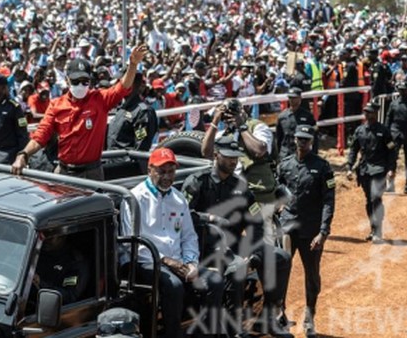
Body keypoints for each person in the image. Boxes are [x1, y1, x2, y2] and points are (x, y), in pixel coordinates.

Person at [183, 135, 292, 337]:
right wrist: (210, 218)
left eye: (236, 157)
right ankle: (235, 329)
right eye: (228, 157)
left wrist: (254, 250)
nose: (233, 161)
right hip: (205, 245)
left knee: (281, 257)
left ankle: (268, 318)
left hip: (233, 243)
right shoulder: (198, 182)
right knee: (237, 267)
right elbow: (183, 215)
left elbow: (256, 222)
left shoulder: (240, 186)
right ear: (216, 155)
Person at [120, 147, 224, 338]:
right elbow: (133, 244)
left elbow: (189, 236)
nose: (167, 177)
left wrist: (191, 263)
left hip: (179, 261)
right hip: (147, 262)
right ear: (150, 170)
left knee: (215, 281)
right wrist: (167, 261)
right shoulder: (134, 199)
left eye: (171, 171)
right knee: (173, 286)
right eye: (162, 171)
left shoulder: (178, 198)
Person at [11, 44, 148, 180]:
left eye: (85, 81)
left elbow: (123, 87)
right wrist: (23, 154)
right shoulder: (56, 105)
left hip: (93, 172)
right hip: (65, 173)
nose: (80, 85)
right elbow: (41, 135)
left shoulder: (100, 99)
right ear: (67, 80)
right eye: (76, 81)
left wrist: (133, 65)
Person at [277, 125, 335, 338]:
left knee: (312, 275)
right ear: (294, 140)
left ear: (311, 142)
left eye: (306, 140)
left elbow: (329, 201)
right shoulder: (285, 165)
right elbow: (276, 190)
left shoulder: (322, 167)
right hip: (287, 228)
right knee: (281, 272)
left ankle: (310, 317)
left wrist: (323, 231)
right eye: (299, 139)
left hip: (311, 231)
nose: (302, 143)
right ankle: (280, 314)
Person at [202, 98, 279, 245]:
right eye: (227, 114)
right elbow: (206, 152)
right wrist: (215, 121)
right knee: (228, 239)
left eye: (233, 113)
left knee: (264, 243)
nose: (230, 117)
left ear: (242, 112)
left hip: (258, 195)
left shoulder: (258, 127)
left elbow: (259, 151)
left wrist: (242, 126)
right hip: (231, 197)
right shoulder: (223, 134)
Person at [347, 101, 395, 242]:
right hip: (364, 170)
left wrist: (391, 169)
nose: (368, 114)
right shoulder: (360, 130)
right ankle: (373, 228)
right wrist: (349, 167)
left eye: (370, 112)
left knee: (376, 199)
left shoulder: (384, 131)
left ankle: (378, 231)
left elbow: (392, 151)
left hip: (379, 169)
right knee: (369, 201)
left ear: (376, 113)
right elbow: (353, 150)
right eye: (366, 112)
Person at [106, 71, 158, 153]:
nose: (117, 86)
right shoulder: (121, 108)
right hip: (110, 161)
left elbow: (141, 146)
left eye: (120, 83)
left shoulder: (142, 112)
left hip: (126, 163)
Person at [32, 235, 91, 306]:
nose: (45, 240)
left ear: (62, 237)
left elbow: (69, 296)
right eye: (44, 236)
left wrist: (40, 283)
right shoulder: (36, 251)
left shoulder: (74, 262)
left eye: (50, 238)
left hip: (53, 308)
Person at [275, 87, 316, 161]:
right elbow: (279, 138)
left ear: (300, 98)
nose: (292, 100)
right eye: (290, 97)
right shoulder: (282, 116)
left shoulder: (307, 116)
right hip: (285, 154)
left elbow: (314, 136)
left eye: (294, 98)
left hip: (302, 153)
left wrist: (314, 153)